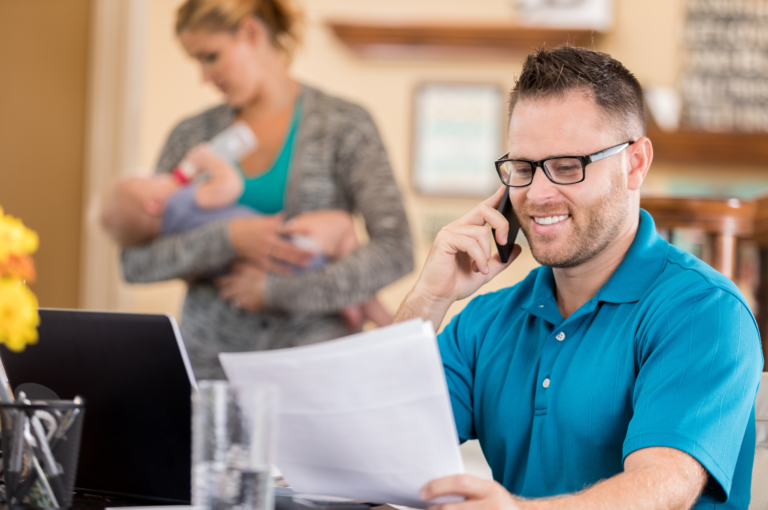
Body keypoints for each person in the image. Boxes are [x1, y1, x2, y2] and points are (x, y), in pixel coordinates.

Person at [394, 46, 763, 509]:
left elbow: (660, 490)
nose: (538, 194)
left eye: (568, 167)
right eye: (524, 169)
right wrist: (429, 299)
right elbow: (374, 444)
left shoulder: (703, 312)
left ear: (635, 164)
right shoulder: (487, 320)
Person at [120, 0, 413, 380]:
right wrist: (229, 239)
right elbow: (135, 261)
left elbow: (395, 249)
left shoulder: (345, 126)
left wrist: (278, 291)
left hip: (316, 367)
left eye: (211, 56)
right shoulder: (191, 137)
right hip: (211, 375)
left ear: (251, 33)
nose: (204, 77)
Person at [101, 144, 394, 329]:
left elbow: (396, 247)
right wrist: (211, 161)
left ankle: (354, 304)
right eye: (153, 180)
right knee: (341, 226)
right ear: (153, 204)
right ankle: (378, 317)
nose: (161, 176)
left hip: (257, 273)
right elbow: (229, 185)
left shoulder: (166, 232)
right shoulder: (182, 199)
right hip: (288, 246)